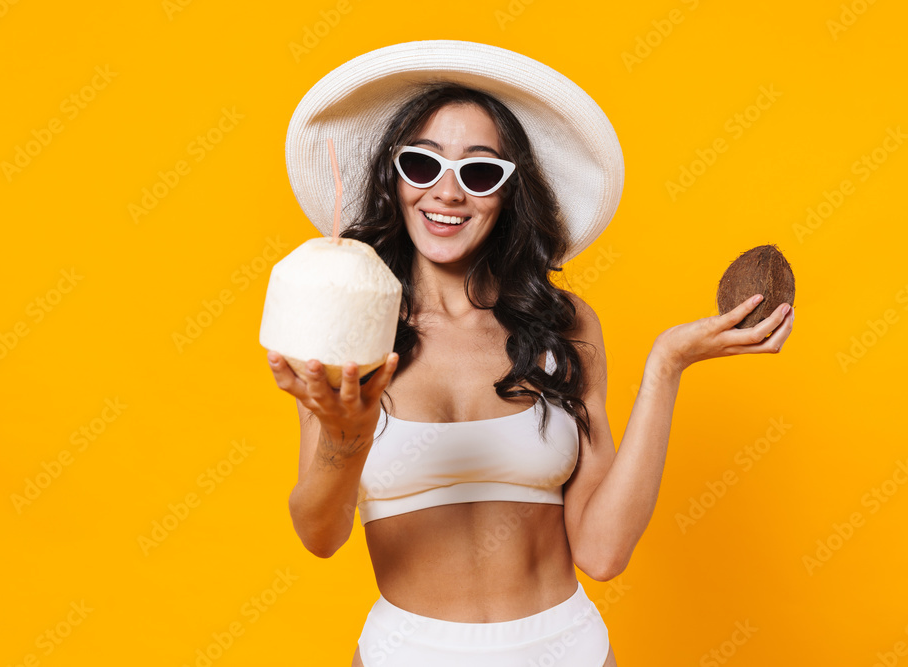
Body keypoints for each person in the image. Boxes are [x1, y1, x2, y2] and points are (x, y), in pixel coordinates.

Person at [266, 41, 794, 667]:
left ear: (510, 194)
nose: (448, 193)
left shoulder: (562, 327)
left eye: (481, 172)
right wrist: (344, 441)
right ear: (394, 176)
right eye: (423, 165)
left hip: (563, 650)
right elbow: (319, 535)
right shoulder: (346, 320)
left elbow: (602, 553)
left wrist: (665, 366)